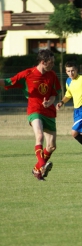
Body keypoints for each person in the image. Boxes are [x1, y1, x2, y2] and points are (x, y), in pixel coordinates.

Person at [0, 49, 61, 181]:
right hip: (35, 110)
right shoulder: (27, 74)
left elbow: (54, 95)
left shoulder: (52, 75)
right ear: (43, 62)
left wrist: (48, 102)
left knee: (51, 146)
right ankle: (43, 165)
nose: (53, 65)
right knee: (39, 136)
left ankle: (37, 169)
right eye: (51, 62)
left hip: (49, 112)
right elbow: (7, 82)